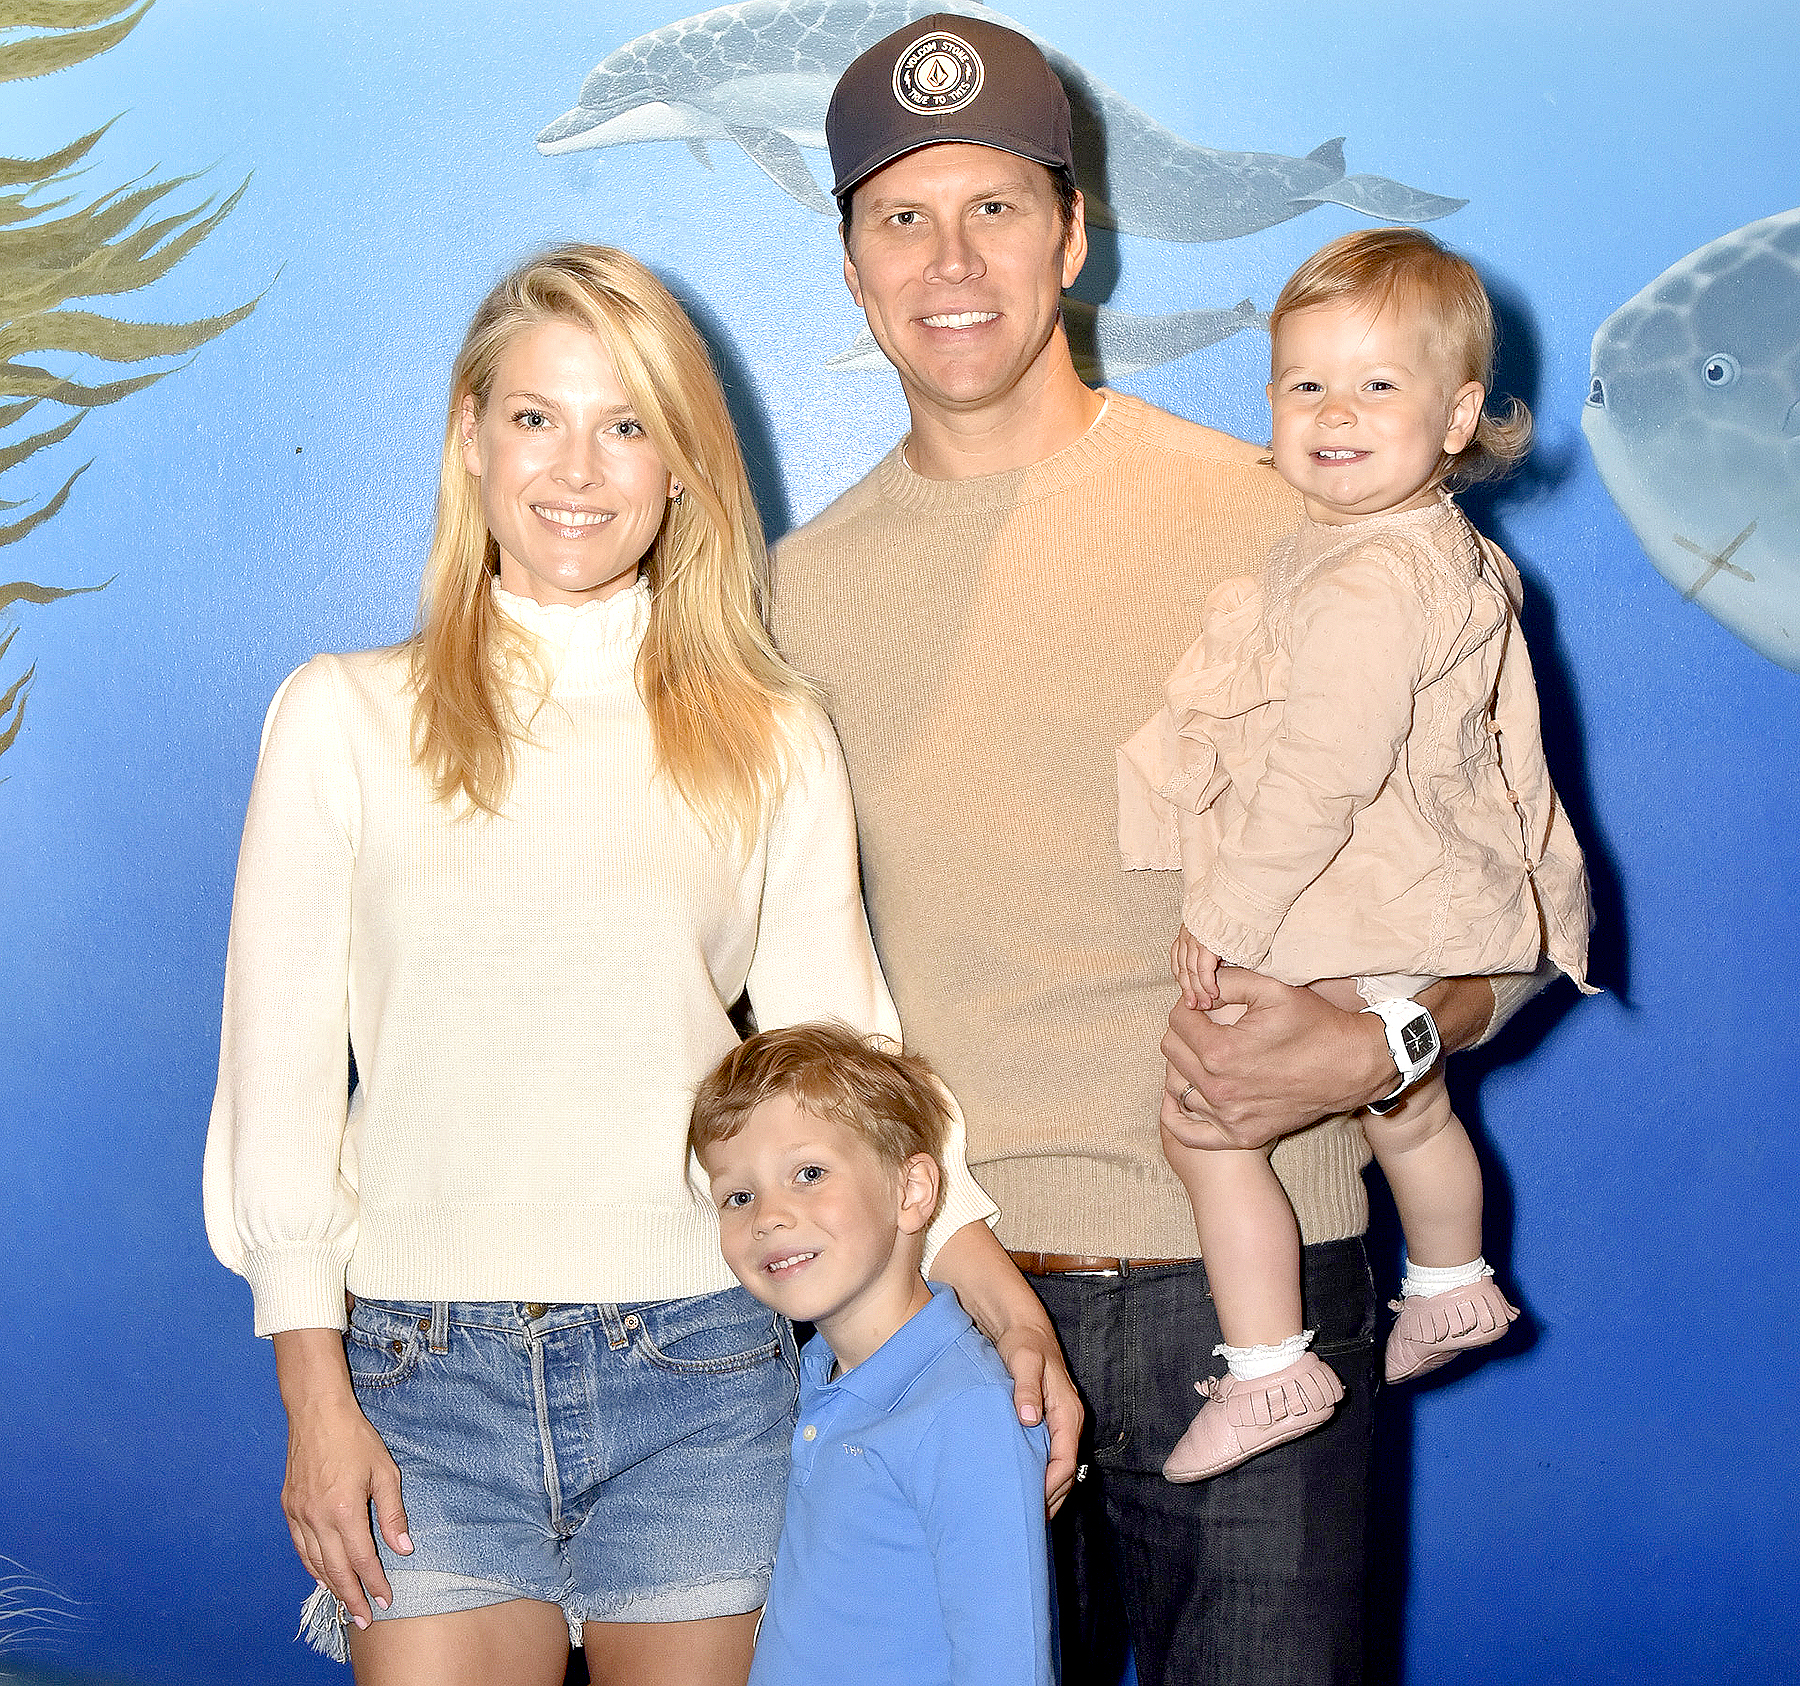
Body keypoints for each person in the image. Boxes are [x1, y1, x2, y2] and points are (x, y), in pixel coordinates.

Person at [769, 16, 1556, 1685]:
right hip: (946, 1304)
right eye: (901, 217)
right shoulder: (790, 600)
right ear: (846, 262)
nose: (951, 257)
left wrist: (1380, 1039)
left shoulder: (1307, 519)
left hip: (1264, 1283)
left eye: (994, 206)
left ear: (1074, 232)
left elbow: (1516, 895)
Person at [202, 243, 1067, 1686]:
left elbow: (842, 1045)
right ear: (471, 437)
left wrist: (984, 1276)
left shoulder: (769, 728)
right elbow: (278, 1068)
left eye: (627, 424)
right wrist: (313, 1387)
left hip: (703, 1365)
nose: (579, 469)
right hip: (421, 1378)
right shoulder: (339, 717)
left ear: (679, 466)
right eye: (536, 415)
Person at [1117, 227, 1594, 1483]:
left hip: (1367, 906)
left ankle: (1272, 1364)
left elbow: (1320, 775)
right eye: (1305, 385)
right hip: (1422, 912)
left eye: (1378, 385)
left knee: (1205, 1129)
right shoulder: (1406, 547)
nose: (1335, 413)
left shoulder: (1370, 581)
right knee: (1407, 1098)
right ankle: (1452, 1283)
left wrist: (1224, 912)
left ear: (1459, 417)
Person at [689, 1023, 1055, 1686]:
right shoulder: (815, 1376)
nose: (768, 1215)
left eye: (808, 1173)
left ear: (912, 1191)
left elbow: (1010, 1659)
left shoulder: (963, 1409)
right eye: (738, 1196)